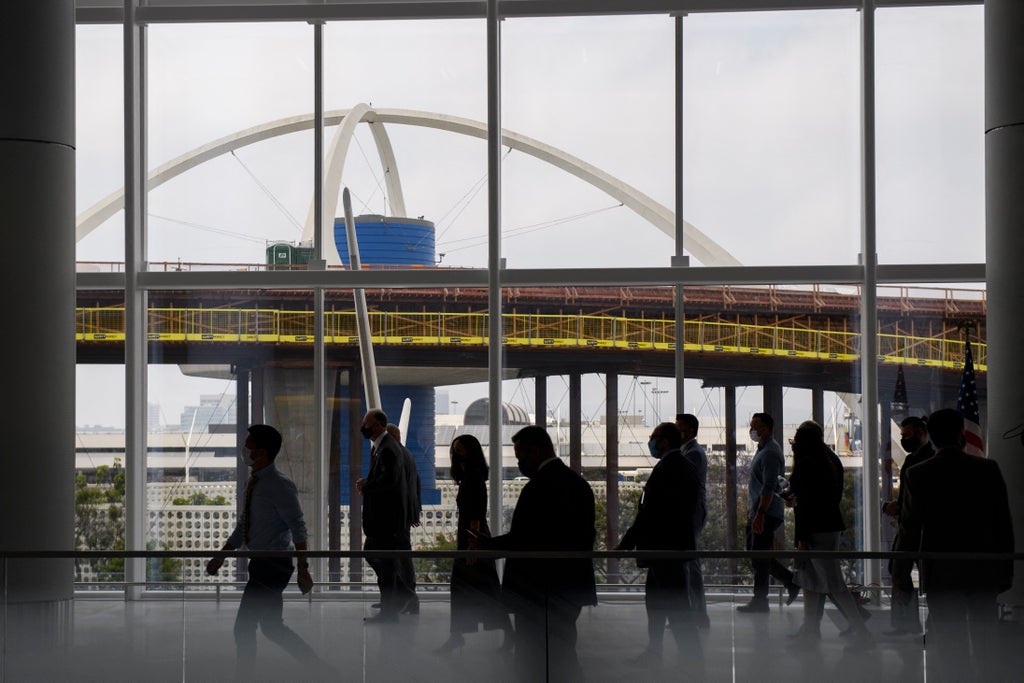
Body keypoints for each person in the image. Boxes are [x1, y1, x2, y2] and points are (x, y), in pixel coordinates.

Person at [895, 408, 1014, 681]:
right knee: (987, 646)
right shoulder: (987, 469)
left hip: (941, 573)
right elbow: (1002, 525)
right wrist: (1005, 570)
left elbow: (910, 530)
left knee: (950, 647)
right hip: (983, 571)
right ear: (962, 434)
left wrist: (901, 575)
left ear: (932, 437)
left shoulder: (918, 474)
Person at [206, 424, 324, 677]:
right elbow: (243, 526)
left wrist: (304, 569)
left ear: (261, 451)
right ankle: (319, 669)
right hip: (261, 564)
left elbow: (299, 528)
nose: (244, 449)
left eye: (248, 444)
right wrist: (221, 555)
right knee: (272, 627)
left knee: (243, 627)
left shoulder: (279, 485)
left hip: (273, 566)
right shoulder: (255, 481)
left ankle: (245, 677)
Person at [482, 425, 597, 681]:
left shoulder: (538, 487)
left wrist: (488, 546)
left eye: (521, 456)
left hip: (537, 589)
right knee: (563, 651)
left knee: (532, 656)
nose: (520, 462)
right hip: (571, 586)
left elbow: (525, 539)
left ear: (536, 451)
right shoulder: (578, 483)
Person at [618, 422, 704, 671]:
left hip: (665, 551)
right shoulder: (679, 466)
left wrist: (626, 543)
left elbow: (650, 513)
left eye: (653, 437)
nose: (651, 441)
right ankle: (665, 653)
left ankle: (691, 662)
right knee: (657, 602)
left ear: (664, 441)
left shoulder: (671, 468)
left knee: (676, 608)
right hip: (667, 550)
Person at [785, 421, 871, 645]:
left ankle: (861, 631)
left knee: (832, 582)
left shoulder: (806, 464)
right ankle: (811, 629)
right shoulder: (831, 460)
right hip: (830, 526)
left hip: (813, 530)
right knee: (812, 579)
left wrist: (802, 539)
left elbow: (805, 506)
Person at [434, 434, 512, 655]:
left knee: (473, 588)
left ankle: (458, 636)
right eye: (455, 450)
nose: (456, 454)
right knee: (484, 589)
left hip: (472, 536)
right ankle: (503, 634)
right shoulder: (471, 475)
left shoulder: (474, 478)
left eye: (460, 450)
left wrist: (472, 544)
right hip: (472, 536)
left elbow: (477, 511)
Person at [737, 412, 800, 613]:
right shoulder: (764, 450)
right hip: (760, 510)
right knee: (757, 554)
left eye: (754, 426)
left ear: (765, 429)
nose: (751, 430)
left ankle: (761, 599)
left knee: (759, 555)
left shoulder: (770, 452)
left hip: (766, 512)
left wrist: (761, 513)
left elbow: (769, 485)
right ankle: (789, 582)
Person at [357, 409, 414, 623]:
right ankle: (401, 594)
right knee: (374, 556)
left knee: (381, 560)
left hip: (385, 522)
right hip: (382, 521)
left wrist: (366, 486)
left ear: (378, 426)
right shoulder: (381, 447)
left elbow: (389, 482)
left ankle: (396, 603)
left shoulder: (388, 449)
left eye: (366, 424)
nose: (364, 428)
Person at [882, 415, 933, 635]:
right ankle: (922, 624)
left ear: (921, 432)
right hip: (919, 527)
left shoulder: (916, 461)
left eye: (906, 434)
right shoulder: (925, 457)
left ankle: (906, 623)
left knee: (899, 572)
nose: (903, 438)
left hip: (913, 528)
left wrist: (899, 507)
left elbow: (916, 499)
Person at [676, 413, 710, 629]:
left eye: (678, 428)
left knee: (690, 563)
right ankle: (694, 613)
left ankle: (697, 613)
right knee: (689, 562)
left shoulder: (693, 454)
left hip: (692, 512)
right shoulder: (688, 451)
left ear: (688, 431)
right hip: (691, 512)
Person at [387, 422, 421, 616]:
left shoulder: (396, 456)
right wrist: (415, 512)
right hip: (405, 514)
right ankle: (404, 596)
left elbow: (396, 487)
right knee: (402, 555)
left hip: (397, 516)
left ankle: (406, 595)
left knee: (395, 556)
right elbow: (416, 484)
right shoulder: (408, 455)